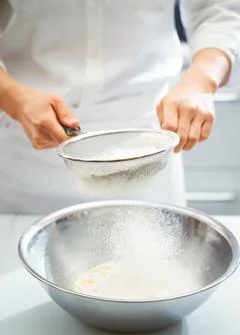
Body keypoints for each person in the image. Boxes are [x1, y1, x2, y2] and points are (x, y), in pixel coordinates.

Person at [0, 0, 239, 214]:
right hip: (24, 151)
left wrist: (201, 81)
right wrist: (14, 98)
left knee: (152, 256)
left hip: (148, 148)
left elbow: (217, 9)